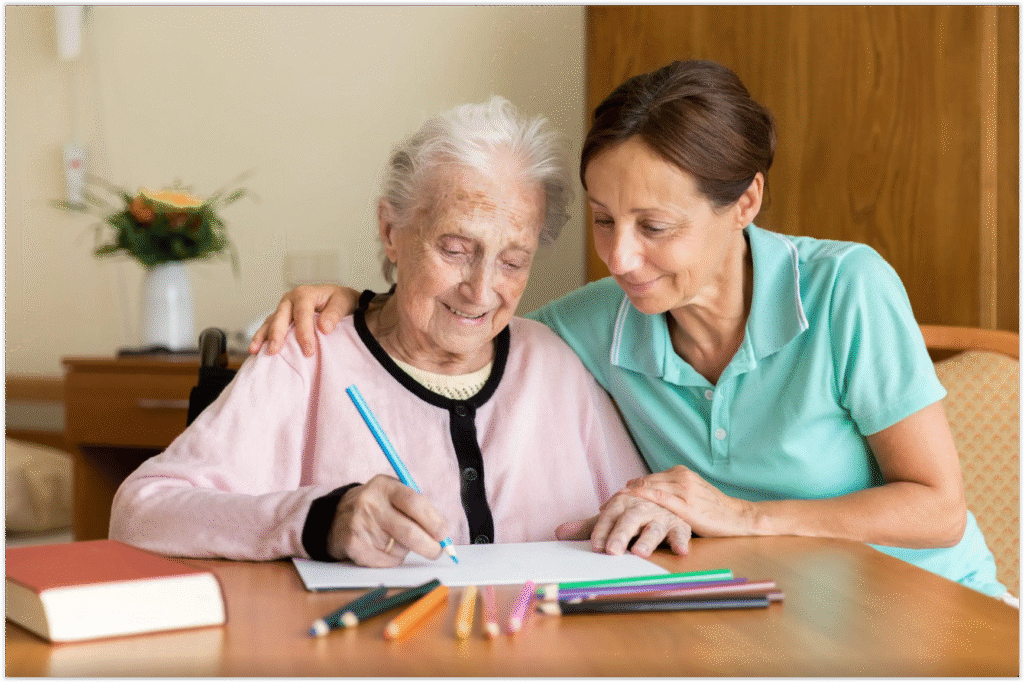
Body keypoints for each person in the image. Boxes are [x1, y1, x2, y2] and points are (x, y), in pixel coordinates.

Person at [252, 60, 1012, 602]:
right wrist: (365, 297)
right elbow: (468, 329)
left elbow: (937, 509)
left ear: (746, 201)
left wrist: (739, 516)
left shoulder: (848, 289)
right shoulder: (597, 321)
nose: (620, 257)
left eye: (654, 226)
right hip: (759, 620)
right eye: (606, 220)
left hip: (928, 607)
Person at [109, 96, 651, 566]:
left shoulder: (553, 362)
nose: (481, 290)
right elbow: (140, 512)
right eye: (456, 250)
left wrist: (645, 517)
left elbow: (641, 505)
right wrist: (318, 520)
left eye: (513, 261)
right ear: (391, 232)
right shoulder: (307, 350)